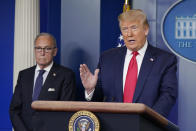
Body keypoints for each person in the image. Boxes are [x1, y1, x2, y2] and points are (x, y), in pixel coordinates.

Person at [80, 9, 178, 117]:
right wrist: (91, 90)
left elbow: (168, 95)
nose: (129, 34)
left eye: (134, 28)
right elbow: (98, 100)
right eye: (125, 29)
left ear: (146, 30)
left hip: (146, 125)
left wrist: (150, 121)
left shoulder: (165, 60)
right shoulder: (107, 58)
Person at [9, 33, 76, 131]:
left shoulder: (66, 75)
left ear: (55, 51)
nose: (42, 52)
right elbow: (14, 110)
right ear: (34, 50)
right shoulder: (24, 75)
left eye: (47, 48)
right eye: (38, 48)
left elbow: (66, 113)